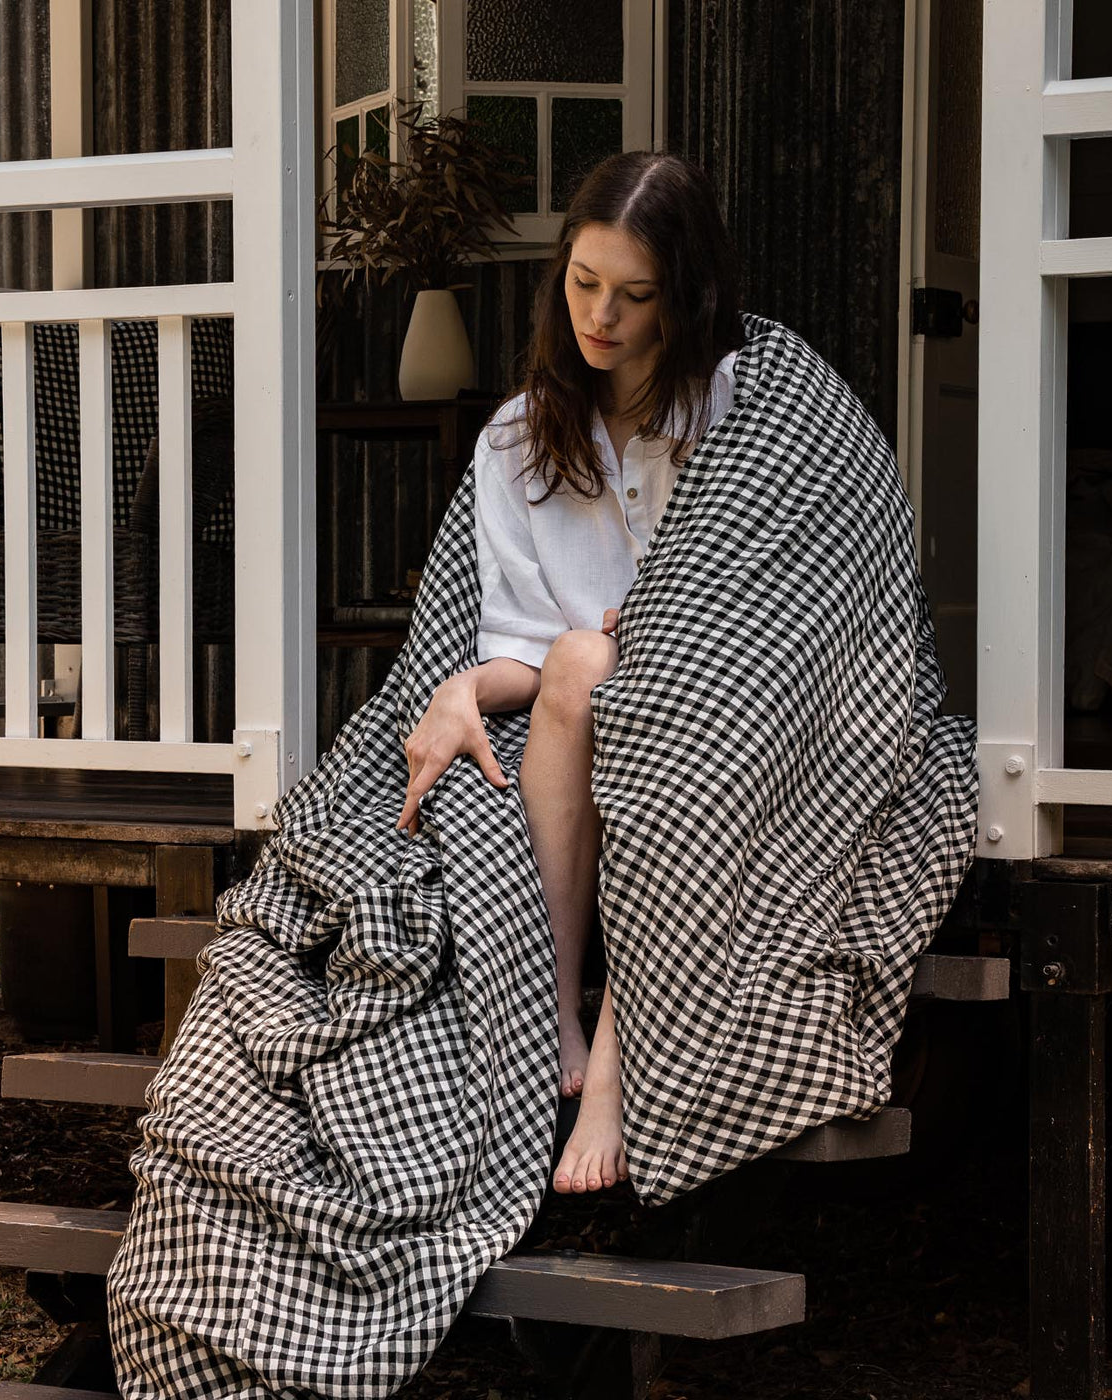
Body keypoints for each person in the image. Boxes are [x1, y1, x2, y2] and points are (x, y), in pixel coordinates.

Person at [391, 150, 746, 1199]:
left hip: (718, 712)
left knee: (617, 665)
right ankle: (557, 1008)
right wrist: (460, 689)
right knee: (588, 658)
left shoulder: (734, 408)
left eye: (633, 296)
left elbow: (765, 597)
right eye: (583, 284)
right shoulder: (517, 436)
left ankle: (611, 1075)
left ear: (680, 299)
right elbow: (525, 643)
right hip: (582, 699)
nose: (600, 315)